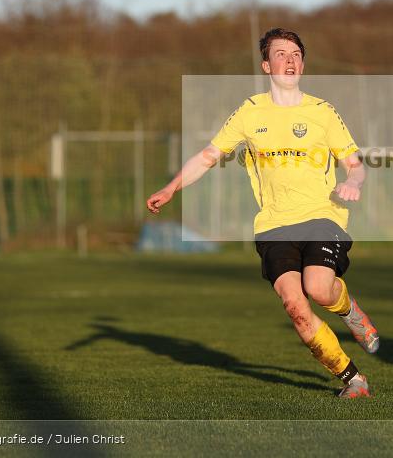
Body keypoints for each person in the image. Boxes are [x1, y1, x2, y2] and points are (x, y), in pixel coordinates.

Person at [147, 28, 379, 399]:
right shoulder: (249, 112)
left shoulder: (322, 112)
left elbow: (356, 164)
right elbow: (208, 157)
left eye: (296, 54)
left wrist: (354, 181)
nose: (290, 60)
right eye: (281, 54)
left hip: (322, 216)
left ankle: (350, 310)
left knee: (318, 288)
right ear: (266, 65)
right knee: (295, 308)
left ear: (303, 64)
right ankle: (353, 379)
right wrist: (171, 187)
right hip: (273, 224)